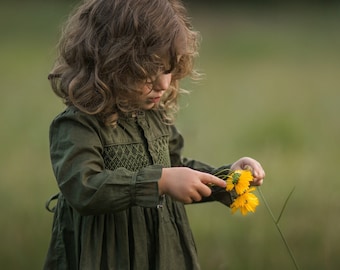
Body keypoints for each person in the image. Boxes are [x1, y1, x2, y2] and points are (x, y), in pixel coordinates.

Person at [43, 0, 265, 269]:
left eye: (169, 70)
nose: (163, 84)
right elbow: (84, 187)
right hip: (107, 254)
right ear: (111, 64)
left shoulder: (154, 116)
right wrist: (159, 182)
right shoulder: (79, 125)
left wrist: (229, 178)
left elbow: (176, 171)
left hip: (162, 251)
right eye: (149, 72)